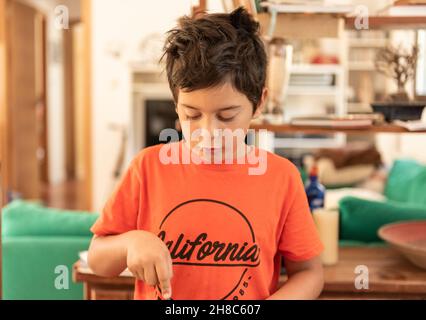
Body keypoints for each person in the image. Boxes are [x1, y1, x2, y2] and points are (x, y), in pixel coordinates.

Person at [88, 7, 324, 300]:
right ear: (176, 105)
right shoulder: (147, 168)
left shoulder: (281, 177)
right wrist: (132, 243)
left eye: (226, 116)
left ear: (259, 102)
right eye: (192, 115)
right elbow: (97, 258)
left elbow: (309, 272)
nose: (208, 132)